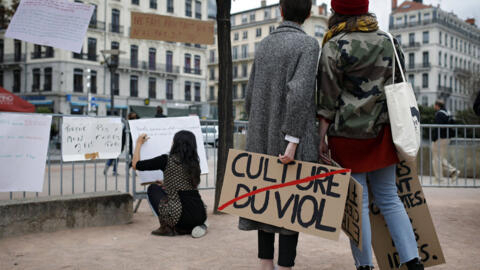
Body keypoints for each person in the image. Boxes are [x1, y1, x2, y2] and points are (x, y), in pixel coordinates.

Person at [316, 1, 423, 269]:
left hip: (346, 136)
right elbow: (400, 83)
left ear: (337, 11)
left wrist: (321, 137)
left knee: (358, 204)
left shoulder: (333, 45)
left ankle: (364, 266)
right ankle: (413, 261)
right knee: (389, 197)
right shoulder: (388, 40)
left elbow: (327, 100)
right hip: (383, 132)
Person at [243, 0, 319, 269]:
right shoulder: (309, 45)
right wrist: (293, 139)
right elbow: (299, 93)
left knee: (264, 199)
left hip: (260, 133)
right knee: (291, 202)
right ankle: (285, 266)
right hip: (290, 138)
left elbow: (250, 95)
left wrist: (257, 126)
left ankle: (266, 264)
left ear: (281, 10)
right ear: (309, 14)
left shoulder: (264, 44)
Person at [132, 130, 207, 238]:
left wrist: (138, 143)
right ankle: (193, 226)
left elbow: (136, 165)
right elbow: (185, 184)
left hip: (180, 216)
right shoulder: (194, 163)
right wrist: (166, 183)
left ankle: (167, 227)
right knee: (164, 188)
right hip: (199, 213)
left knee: (153, 188)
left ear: (176, 144)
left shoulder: (166, 160)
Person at [432, 100, 460, 182]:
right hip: (447, 138)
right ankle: (453, 171)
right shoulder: (448, 112)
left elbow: (439, 127)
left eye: (435, 105)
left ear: (437, 105)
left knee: (436, 159)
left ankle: (440, 178)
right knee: (440, 158)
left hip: (440, 138)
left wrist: (435, 137)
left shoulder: (439, 113)